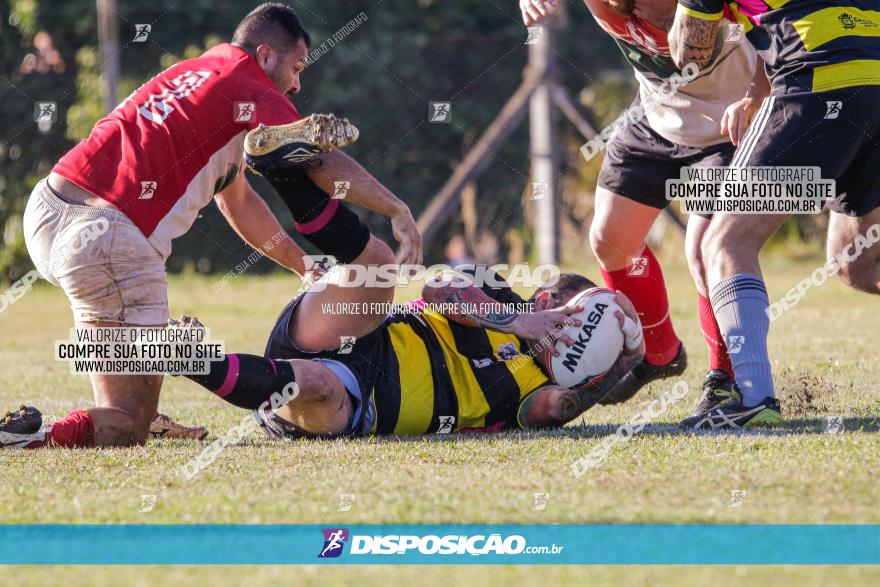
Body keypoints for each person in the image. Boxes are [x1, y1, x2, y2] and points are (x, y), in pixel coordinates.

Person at [0, 3, 420, 448]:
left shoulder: (199, 73)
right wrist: (397, 210)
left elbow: (236, 199)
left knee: (124, 374)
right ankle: (34, 434)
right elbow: (321, 161)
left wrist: (301, 266)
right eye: (295, 67)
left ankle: (144, 392)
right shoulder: (249, 82)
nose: (297, 84)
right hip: (108, 238)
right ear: (264, 55)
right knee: (126, 429)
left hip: (49, 208)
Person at [519, 0, 768, 413]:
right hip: (656, 118)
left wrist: (760, 95)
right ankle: (660, 355)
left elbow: (776, 28)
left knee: (706, 248)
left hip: (731, 125)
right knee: (610, 239)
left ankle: (724, 378)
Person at [669, 0, 880, 428]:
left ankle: (752, 399)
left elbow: (689, 54)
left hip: (817, 83)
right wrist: (755, 92)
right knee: (858, 262)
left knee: (726, 242)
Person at [175, 257, 645, 438]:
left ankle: (180, 355)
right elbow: (440, 288)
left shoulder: (535, 391)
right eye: (567, 319)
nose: (568, 335)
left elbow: (559, 409)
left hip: (358, 401)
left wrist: (627, 361)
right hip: (361, 334)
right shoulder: (499, 291)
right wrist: (522, 322)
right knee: (371, 270)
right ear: (544, 301)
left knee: (316, 384)